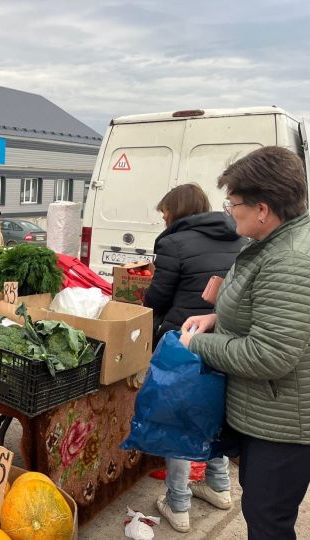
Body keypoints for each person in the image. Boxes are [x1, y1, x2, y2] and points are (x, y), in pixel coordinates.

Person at [180, 146, 310, 540]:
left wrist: (196, 345)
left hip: (284, 426)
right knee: (260, 509)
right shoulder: (270, 242)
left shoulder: (288, 258)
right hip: (267, 413)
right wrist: (216, 316)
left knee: (268, 521)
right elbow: (268, 310)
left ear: (263, 209)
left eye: (233, 202)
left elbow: (270, 355)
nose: (229, 210)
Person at [143, 183, 245, 532]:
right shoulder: (239, 237)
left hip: (184, 339)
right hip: (227, 340)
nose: (163, 219)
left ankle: (178, 504)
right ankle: (219, 488)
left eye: (164, 213)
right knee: (215, 412)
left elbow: (157, 297)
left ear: (176, 212)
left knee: (180, 420)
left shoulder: (173, 242)